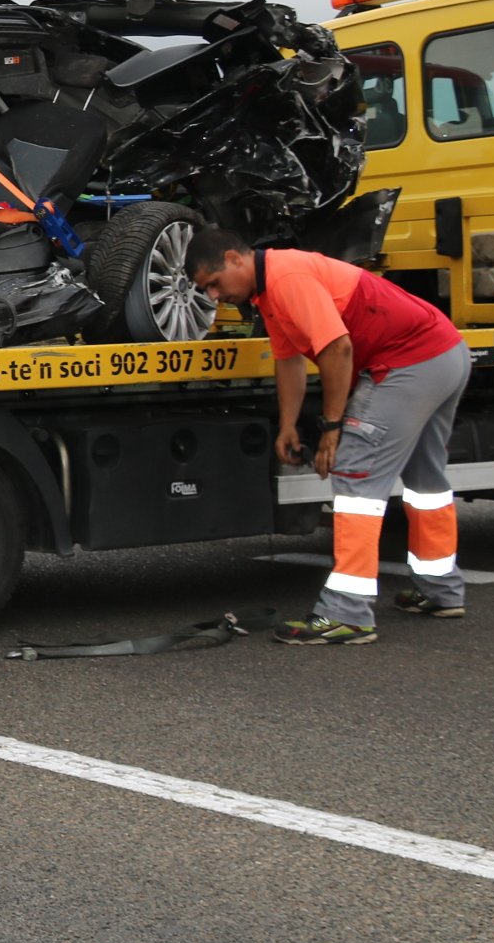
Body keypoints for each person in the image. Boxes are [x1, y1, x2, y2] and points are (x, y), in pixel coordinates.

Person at [188, 231, 471, 644]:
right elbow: (289, 361)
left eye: (213, 282)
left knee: (356, 473)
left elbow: (336, 349)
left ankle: (346, 615)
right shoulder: (268, 290)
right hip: (442, 353)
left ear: (234, 259)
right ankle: (442, 592)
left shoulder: (286, 279)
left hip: (410, 360)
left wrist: (332, 429)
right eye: (205, 290)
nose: (213, 296)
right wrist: (287, 425)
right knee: (425, 481)